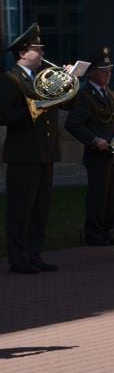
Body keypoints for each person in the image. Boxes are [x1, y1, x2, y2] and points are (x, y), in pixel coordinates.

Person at [0, 23, 76, 273]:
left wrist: (68, 82)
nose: (42, 53)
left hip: (46, 152)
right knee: (20, 209)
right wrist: (40, 103)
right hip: (23, 154)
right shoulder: (10, 79)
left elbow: (67, 105)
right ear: (23, 53)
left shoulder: (43, 78)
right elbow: (6, 116)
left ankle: (34, 254)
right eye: (38, 49)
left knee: (40, 208)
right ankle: (18, 259)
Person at [65, 47, 114, 246]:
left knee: (112, 195)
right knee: (98, 195)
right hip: (97, 153)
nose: (108, 74)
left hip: (113, 152)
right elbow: (73, 124)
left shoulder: (108, 93)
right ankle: (94, 233)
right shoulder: (85, 95)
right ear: (92, 72)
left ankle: (107, 229)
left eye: (110, 70)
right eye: (103, 71)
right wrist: (94, 140)